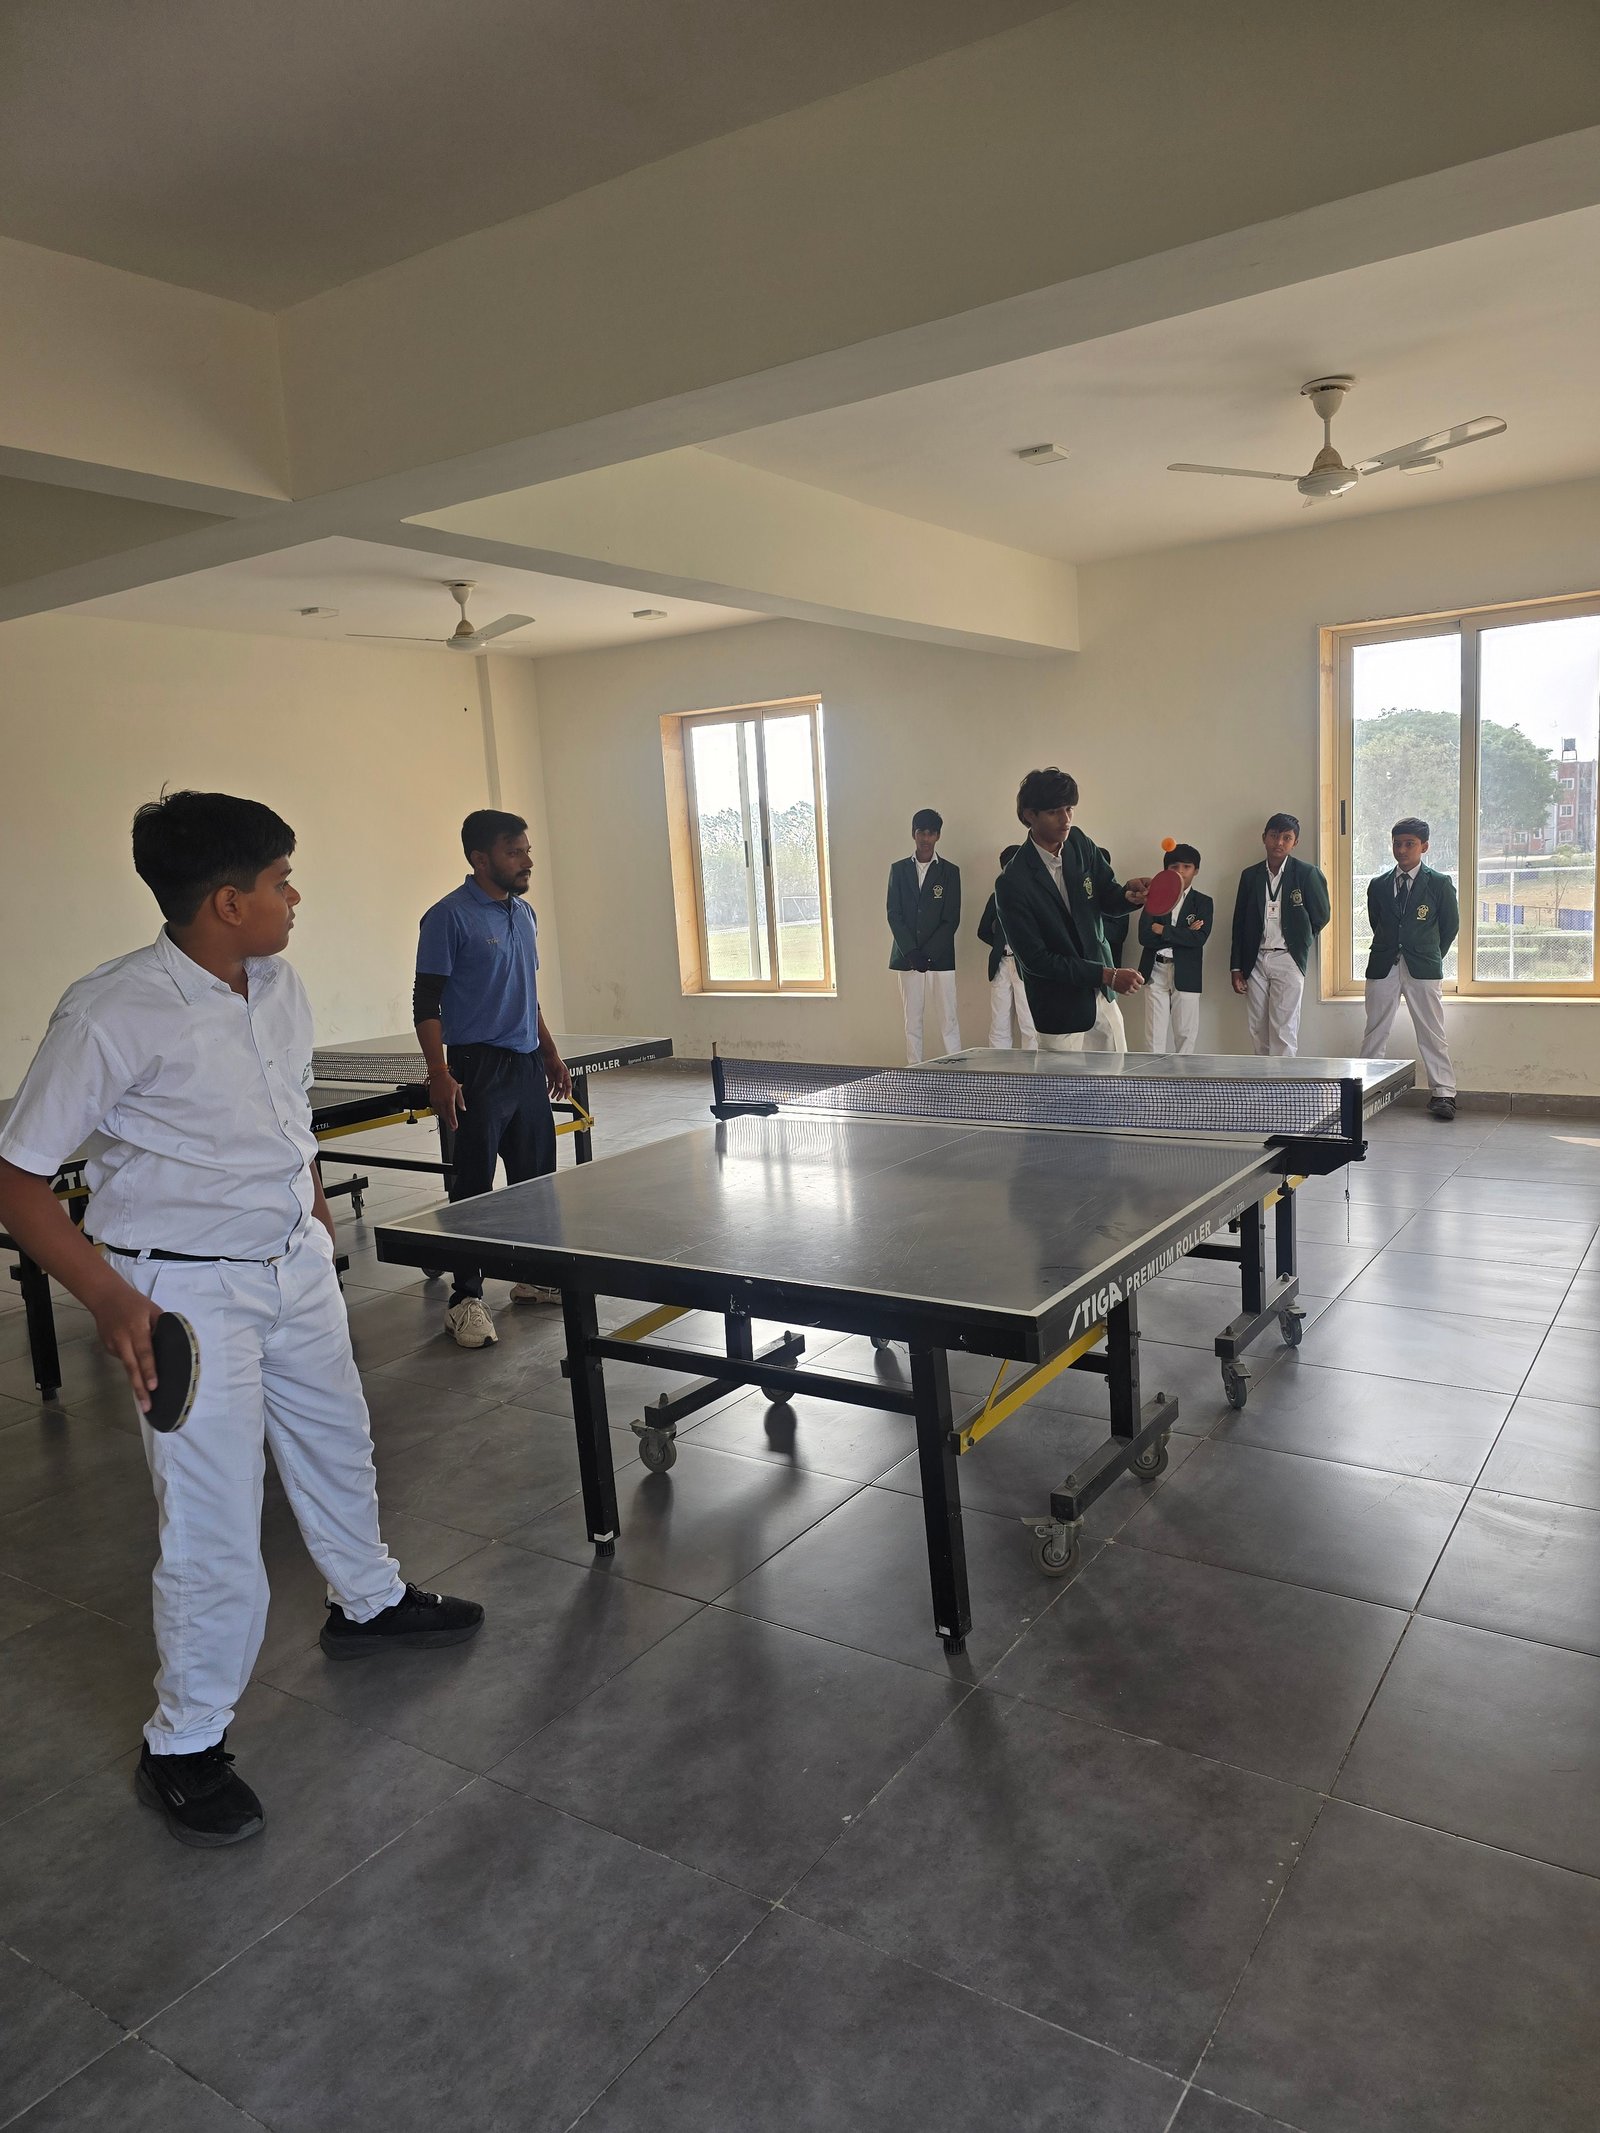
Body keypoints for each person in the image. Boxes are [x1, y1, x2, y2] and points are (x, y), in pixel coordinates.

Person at [0, 792, 483, 1849]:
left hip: (292, 1267)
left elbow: (284, 1110)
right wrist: (113, 1298)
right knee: (213, 1522)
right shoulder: (110, 1012)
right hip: (183, 1293)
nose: (294, 897)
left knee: (339, 1444)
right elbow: (18, 1179)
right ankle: (183, 1741)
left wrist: (309, 1206)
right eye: (279, 881)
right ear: (227, 901)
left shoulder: (277, 983)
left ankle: (368, 1601)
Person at [415, 809, 572, 1349]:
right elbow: (426, 1002)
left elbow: (528, 993)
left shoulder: (524, 914)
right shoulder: (447, 917)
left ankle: (531, 1277)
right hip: (475, 1068)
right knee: (473, 1188)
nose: (527, 861)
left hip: (525, 1065)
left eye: (527, 850)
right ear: (480, 859)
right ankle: (465, 1299)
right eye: (514, 852)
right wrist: (439, 1072)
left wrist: (549, 1054)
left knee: (536, 1181)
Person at [993, 767, 1148, 1051]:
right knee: (1062, 1082)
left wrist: (1129, 895)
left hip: (1102, 998)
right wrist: (1107, 975)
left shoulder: (1079, 842)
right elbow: (1036, 960)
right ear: (1029, 815)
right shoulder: (1012, 883)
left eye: (1069, 809)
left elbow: (1108, 896)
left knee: (1117, 1077)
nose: (1065, 819)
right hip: (1058, 1009)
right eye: (1054, 811)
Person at [1361, 816, 1460, 1121]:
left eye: (1409, 844)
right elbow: (1377, 922)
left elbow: (1450, 927)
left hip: (1424, 966)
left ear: (1424, 847)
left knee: (1431, 1031)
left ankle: (1444, 1093)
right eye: (1397, 844)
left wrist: (1429, 953)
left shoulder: (1439, 883)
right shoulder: (1378, 885)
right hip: (1384, 964)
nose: (1402, 850)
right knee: (1375, 1030)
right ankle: (1364, 1093)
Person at [1229, 813, 1330, 1057]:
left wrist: (1300, 941)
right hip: (1255, 959)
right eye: (1274, 836)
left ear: (1295, 842)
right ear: (1264, 837)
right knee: (1257, 1027)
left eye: (1287, 837)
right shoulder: (1250, 875)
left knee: (1284, 1028)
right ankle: (1263, 1079)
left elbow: (1321, 915)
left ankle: (1284, 1080)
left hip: (1288, 957)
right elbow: (1239, 923)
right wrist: (1236, 966)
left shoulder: (1306, 873)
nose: (1279, 842)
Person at [886, 808, 961, 1063]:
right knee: (912, 1021)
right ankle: (914, 1070)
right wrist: (912, 952)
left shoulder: (950, 872)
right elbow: (893, 914)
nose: (925, 838)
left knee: (949, 1019)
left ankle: (957, 1071)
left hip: (941, 959)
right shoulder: (898, 870)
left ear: (938, 836)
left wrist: (928, 954)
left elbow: (951, 918)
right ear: (913, 834)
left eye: (930, 833)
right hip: (908, 958)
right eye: (921, 832)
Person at [1138, 843, 1212, 1053]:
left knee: (1186, 1035)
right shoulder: (1153, 898)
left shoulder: (1203, 902)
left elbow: (1199, 939)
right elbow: (1145, 936)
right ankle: (1153, 1076)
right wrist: (1184, 933)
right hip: (1155, 970)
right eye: (1174, 866)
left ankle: (1184, 1075)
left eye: (1186, 866)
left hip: (1187, 971)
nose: (1180, 871)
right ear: (1166, 871)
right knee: (1154, 1037)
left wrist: (1163, 930)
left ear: (1196, 870)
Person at [976, 845, 1039, 1050]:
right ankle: (998, 1068)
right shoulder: (995, 897)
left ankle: (1034, 1068)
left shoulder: (1035, 897)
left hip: (1026, 965)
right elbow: (983, 930)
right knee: (999, 1022)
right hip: (1001, 963)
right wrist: (999, 945)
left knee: (1029, 1022)